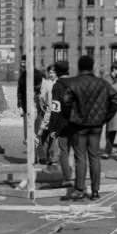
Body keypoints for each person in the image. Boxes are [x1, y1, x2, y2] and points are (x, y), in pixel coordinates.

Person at [60, 55, 117, 201]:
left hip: (78, 126)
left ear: (79, 67)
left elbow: (65, 102)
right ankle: (95, 191)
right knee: (95, 157)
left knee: (80, 157)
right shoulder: (102, 83)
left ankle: (79, 189)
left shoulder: (73, 83)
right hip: (96, 126)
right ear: (92, 66)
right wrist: (105, 117)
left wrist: (71, 116)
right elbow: (116, 99)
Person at [37, 60, 74, 188]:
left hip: (63, 123)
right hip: (77, 122)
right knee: (77, 152)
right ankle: (77, 178)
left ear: (57, 72)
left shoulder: (57, 86)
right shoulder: (75, 83)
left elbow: (55, 108)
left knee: (64, 151)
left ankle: (67, 178)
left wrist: (52, 127)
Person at [17, 54, 44, 145]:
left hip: (37, 108)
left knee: (36, 134)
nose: (22, 64)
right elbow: (19, 91)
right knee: (28, 137)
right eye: (21, 62)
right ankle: (32, 158)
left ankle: (38, 158)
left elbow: (42, 91)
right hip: (26, 108)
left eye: (24, 62)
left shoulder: (38, 74)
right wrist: (20, 105)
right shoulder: (22, 75)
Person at [37, 63, 59, 165]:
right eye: (49, 72)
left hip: (56, 112)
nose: (51, 74)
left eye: (53, 72)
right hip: (47, 111)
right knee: (44, 135)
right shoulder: (45, 83)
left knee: (54, 136)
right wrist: (43, 104)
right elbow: (41, 96)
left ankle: (53, 158)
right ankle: (44, 157)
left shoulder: (59, 83)